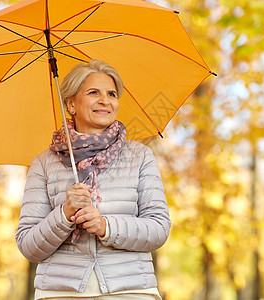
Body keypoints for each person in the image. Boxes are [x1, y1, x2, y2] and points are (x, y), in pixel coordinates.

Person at [15, 60, 171, 299]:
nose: (105, 101)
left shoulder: (140, 156)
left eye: (111, 94)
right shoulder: (44, 163)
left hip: (129, 290)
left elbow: (158, 229)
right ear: (71, 104)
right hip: (61, 292)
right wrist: (64, 214)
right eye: (93, 93)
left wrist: (106, 226)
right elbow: (28, 245)